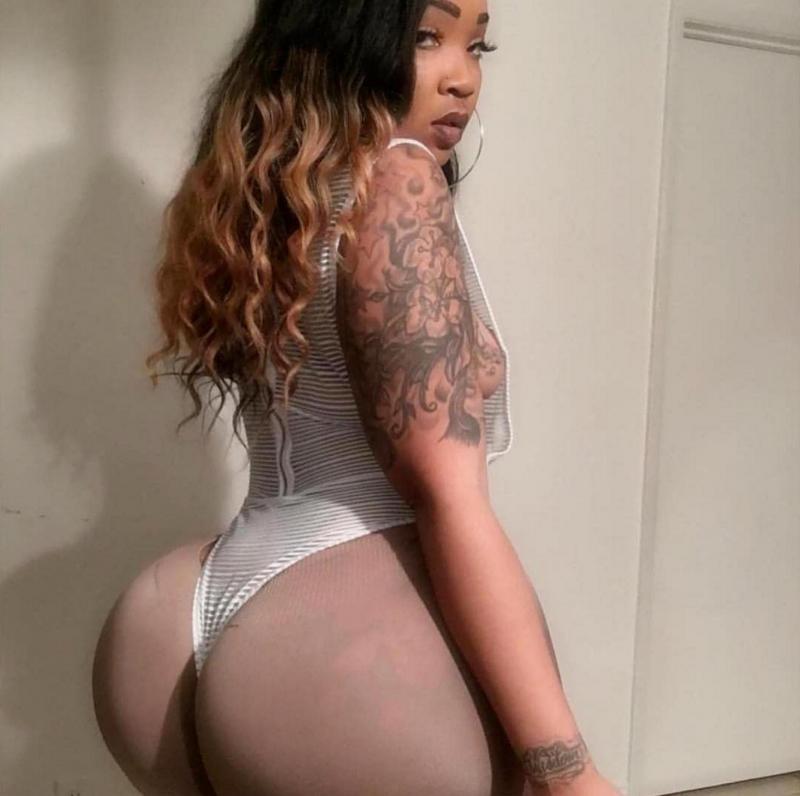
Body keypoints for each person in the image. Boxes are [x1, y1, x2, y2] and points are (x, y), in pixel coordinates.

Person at [91, 1, 621, 794]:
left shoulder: (273, 198)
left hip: (173, 618)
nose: (463, 78)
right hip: (343, 630)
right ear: (345, 35)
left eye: (478, 47)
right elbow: (445, 493)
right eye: (426, 38)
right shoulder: (398, 178)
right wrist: (567, 770)